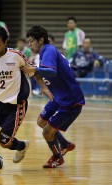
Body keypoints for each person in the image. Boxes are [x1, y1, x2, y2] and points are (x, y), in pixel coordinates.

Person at [0, 26, 53, 170]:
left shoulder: (15, 55)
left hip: (15, 105)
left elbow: (33, 71)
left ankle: (23, 145)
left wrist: (43, 87)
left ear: (5, 42)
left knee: (4, 142)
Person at [26, 25, 85, 168]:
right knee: (41, 121)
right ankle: (64, 144)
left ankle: (58, 157)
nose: (29, 44)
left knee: (47, 133)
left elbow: (51, 71)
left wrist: (33, 69)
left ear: (41, 40)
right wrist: (44, 86)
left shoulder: (49, 50)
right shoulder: (46, 52)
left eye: (31, 41)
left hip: (70, 101)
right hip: (59, 97)